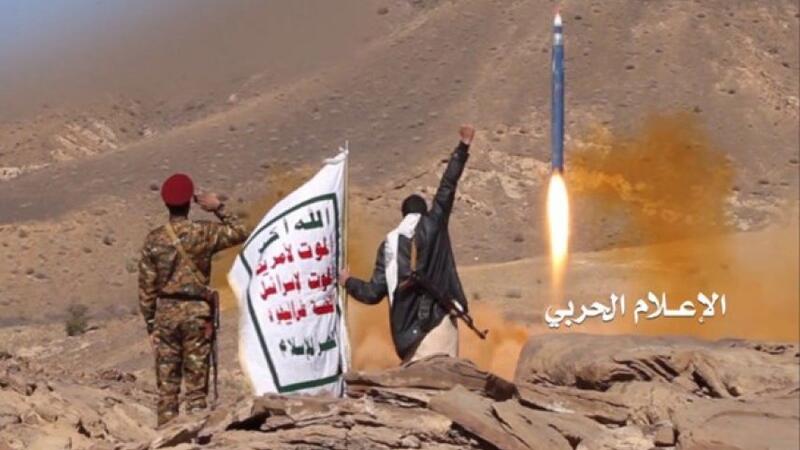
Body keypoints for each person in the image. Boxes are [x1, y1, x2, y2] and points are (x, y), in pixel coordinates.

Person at [340, 125, 474, 364]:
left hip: (407, 337)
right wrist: (463, 147)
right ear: (424, 212)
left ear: (403, 215)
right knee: (444, 382)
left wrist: (347, 281)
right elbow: (447, 187)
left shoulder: (388, 246)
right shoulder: (434, 225)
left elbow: (373, 293)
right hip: (439, 325)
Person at [138, 173, 247, 427]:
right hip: (197, 314)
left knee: (167, 389)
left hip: (165, 316)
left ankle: (167, 435)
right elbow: (241, 231)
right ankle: (196, 433)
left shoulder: (154, 239)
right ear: (190, 202)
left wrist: (151, 324)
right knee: (197, 388)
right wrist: (217, 207)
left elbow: (146, 288)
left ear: (165, 203)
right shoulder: (203, 232)